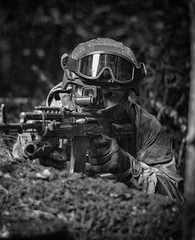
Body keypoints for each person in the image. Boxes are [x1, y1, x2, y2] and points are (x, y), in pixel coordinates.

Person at [13, 38, 183, 201]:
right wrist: (30, 154)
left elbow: (175, 196)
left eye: (111, 94)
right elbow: (11, 175)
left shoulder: (145, 126)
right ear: (71, 89)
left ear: (126, 97)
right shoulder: (52, 115)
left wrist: (129, 168)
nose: (98, 102)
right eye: (87, 92)